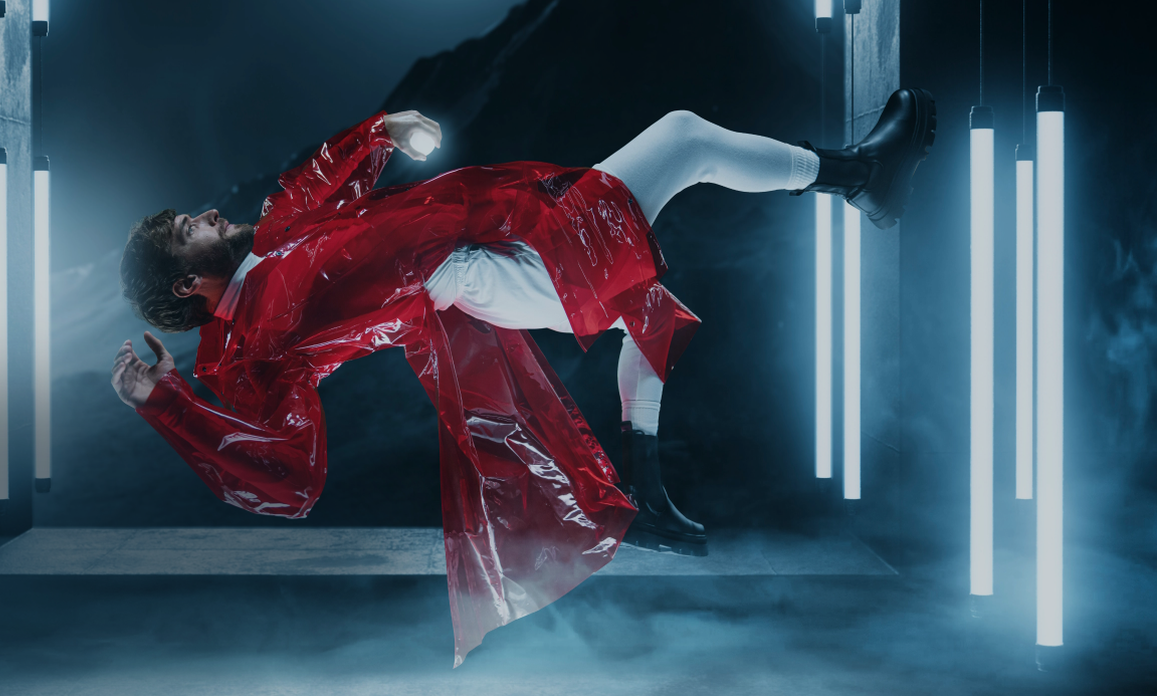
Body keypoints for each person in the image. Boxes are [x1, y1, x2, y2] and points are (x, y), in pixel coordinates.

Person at [111, 91, 936, 665]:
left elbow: (313, 182)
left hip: (495, 238)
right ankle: (864, 174)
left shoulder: (270, 241)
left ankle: (643, 489)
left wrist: (379, 133)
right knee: (684, 138)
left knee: (650, 308)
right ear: (189, 283)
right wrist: (170, 404)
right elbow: (292, 478)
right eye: (191, 229)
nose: (209, 216)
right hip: (491, 271)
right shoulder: (255, 345)